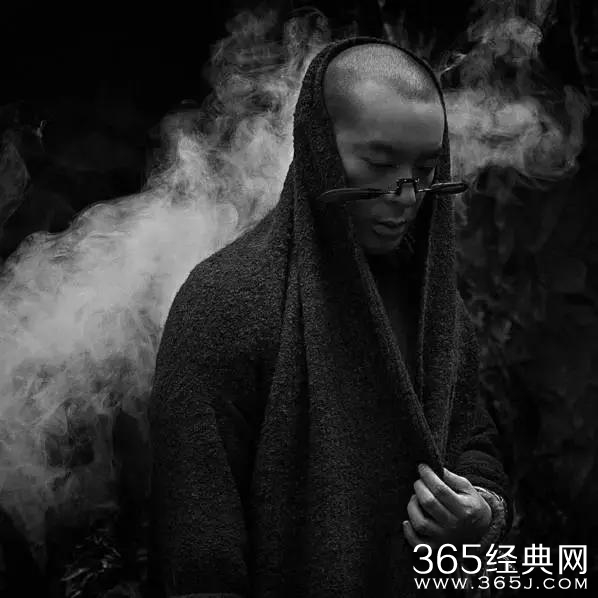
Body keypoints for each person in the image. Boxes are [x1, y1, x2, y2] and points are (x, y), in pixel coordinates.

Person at [147, 37, 512, 598]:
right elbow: (199, 552)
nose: (407, 196)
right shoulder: (224, 304)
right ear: (320, 149)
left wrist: (480, 513)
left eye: (426, 167)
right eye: (380, 164)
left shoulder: (434, 305)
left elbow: (473, 439)